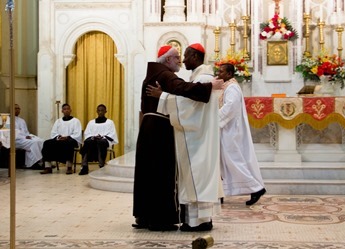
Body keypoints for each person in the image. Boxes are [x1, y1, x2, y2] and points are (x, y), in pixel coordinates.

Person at [132, 44, 223, 232]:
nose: (180, 61)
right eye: (176, 58)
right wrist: (208, 87)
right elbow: (182, 89)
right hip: (160, 128)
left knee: (146, 174)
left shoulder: (149, 75)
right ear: (167, 59)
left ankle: (144, 216)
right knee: (161, 173)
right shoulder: (165, 75)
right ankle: (160, 219)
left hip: (147, 126)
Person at [216, 63, 266, 206]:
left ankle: (256, 188)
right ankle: (222, 192)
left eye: (221, 72)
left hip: (230, 130)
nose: (219, 74)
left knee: (233, 161)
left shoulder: (232, 88)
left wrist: (214, 117)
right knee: (227, 161)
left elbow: (230, 107)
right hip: (227, 128)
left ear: (229, 74)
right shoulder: (227, 86)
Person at [40, 103, 82, 175]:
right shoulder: (58, 121)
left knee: (69, 143)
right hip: (59, 140)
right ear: (62, 111)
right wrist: (59, 137)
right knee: (47, 143)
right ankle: (48, 167)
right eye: (64, 109)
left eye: (68, 109)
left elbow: (77, 133)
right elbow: (53, 132)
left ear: (70, 110)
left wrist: (67, 137)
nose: (66, 111)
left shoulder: (76, 121)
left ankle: (69, 167)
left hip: (71, 140)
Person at [78, 104, 118, 175]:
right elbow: (87, 133)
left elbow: (112, 134)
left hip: (104, 140)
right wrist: (93, 137)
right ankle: (84, 166)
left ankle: (101, 165)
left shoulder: (110, 122)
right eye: (99, 110)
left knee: (101, 142)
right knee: (87, 142)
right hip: (93, 140)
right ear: (96, 111)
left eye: (102, 110)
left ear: (105, 111)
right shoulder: (91, 122)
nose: (100, 112)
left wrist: (103, 137)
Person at [8, 104, 44, 169]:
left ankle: (37, 162)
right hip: (16, 140)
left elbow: (26, 132)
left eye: (18, 108)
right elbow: (12, 133)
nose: (17, 110)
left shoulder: (22, 120)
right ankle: (37, 162)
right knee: (34, 143)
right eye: (15, 108)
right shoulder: (8, 120)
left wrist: (28, 136)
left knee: (40, 141)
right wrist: (24, 137)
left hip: (25, 138)